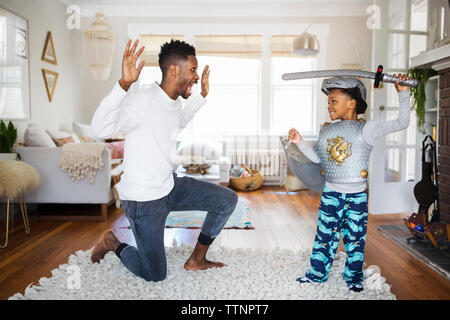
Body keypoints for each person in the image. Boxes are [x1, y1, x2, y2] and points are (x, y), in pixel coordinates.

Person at [90, 39, 238, 282]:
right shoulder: (142, 101)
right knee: (154, 274)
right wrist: (124, 85)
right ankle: (111, 242)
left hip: (169, 186)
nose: (196, 76)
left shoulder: (173, 102)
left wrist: (201, 96)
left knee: (227, 200)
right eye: (193, 70)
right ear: (173, 70)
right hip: (143, 200)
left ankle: (197, 259)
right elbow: (99, 129)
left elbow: (179, 119)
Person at [288, 74, 411, 292]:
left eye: (333, 101)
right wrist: (300, 143)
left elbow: (402, 122)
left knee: (355, 239)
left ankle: (353, 275)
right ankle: (317, 273)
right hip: (331, 194)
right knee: (325, 236)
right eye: (328, 102)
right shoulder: (326, 130)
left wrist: (403, 94)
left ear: (352, 103)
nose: (329, 106)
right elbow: (317, 158)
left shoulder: (368, 128)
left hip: (357, 197)